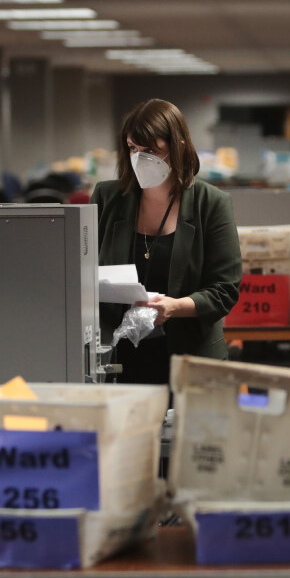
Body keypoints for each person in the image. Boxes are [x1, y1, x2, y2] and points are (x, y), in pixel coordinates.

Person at [93, 99, 241, 384]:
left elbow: (225, 289)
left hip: (190, 358)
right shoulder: (107, 199)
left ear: (178, 147)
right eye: (133, 149)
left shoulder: (211, 204)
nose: (139, 158)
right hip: (119, 357)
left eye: (151, 151)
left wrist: (175, 306)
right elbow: (81, 270)